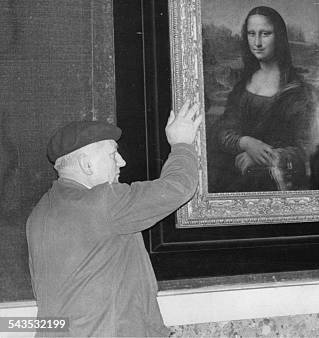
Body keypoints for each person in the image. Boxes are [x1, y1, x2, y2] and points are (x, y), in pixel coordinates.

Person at [26, 101, 202, 337]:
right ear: (87, 164)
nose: (122, 162)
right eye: (113, 154)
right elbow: (178, 187)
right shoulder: (104, 202)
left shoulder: (39, 214)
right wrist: (181, 144)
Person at [210, 6, 319, 192]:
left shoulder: (298, 92)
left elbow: (306, 149)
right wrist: (245, 142)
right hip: (233, 179)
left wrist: (263, 156)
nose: (257, 42)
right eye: (251, 34)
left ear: (279, 37)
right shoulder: (242, 85)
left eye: (265, 34)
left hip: (276, 184)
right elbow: (221, 131)